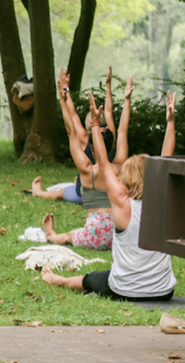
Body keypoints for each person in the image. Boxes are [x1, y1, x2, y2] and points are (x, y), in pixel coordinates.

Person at [41, 90, 178, 302]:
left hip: (124, 289)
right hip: (163, 291)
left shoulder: (122, 202)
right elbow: (166, 160)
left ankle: (58, 280)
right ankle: (60, 279)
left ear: (127, 177)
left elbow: (103, 162)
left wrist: (95, 124)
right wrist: (170, 121)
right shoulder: (162, 201)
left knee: (90, 279)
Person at [41, 68, 131, 251]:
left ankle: (52, 235)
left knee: (69, 235)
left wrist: (63, 98)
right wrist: (127, 100)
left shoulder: (86, 170)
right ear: (111, 144)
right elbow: (122, 130)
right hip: (119, 238)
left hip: (93, 237)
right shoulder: (120, 166)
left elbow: (71, 132)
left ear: (91, 145)